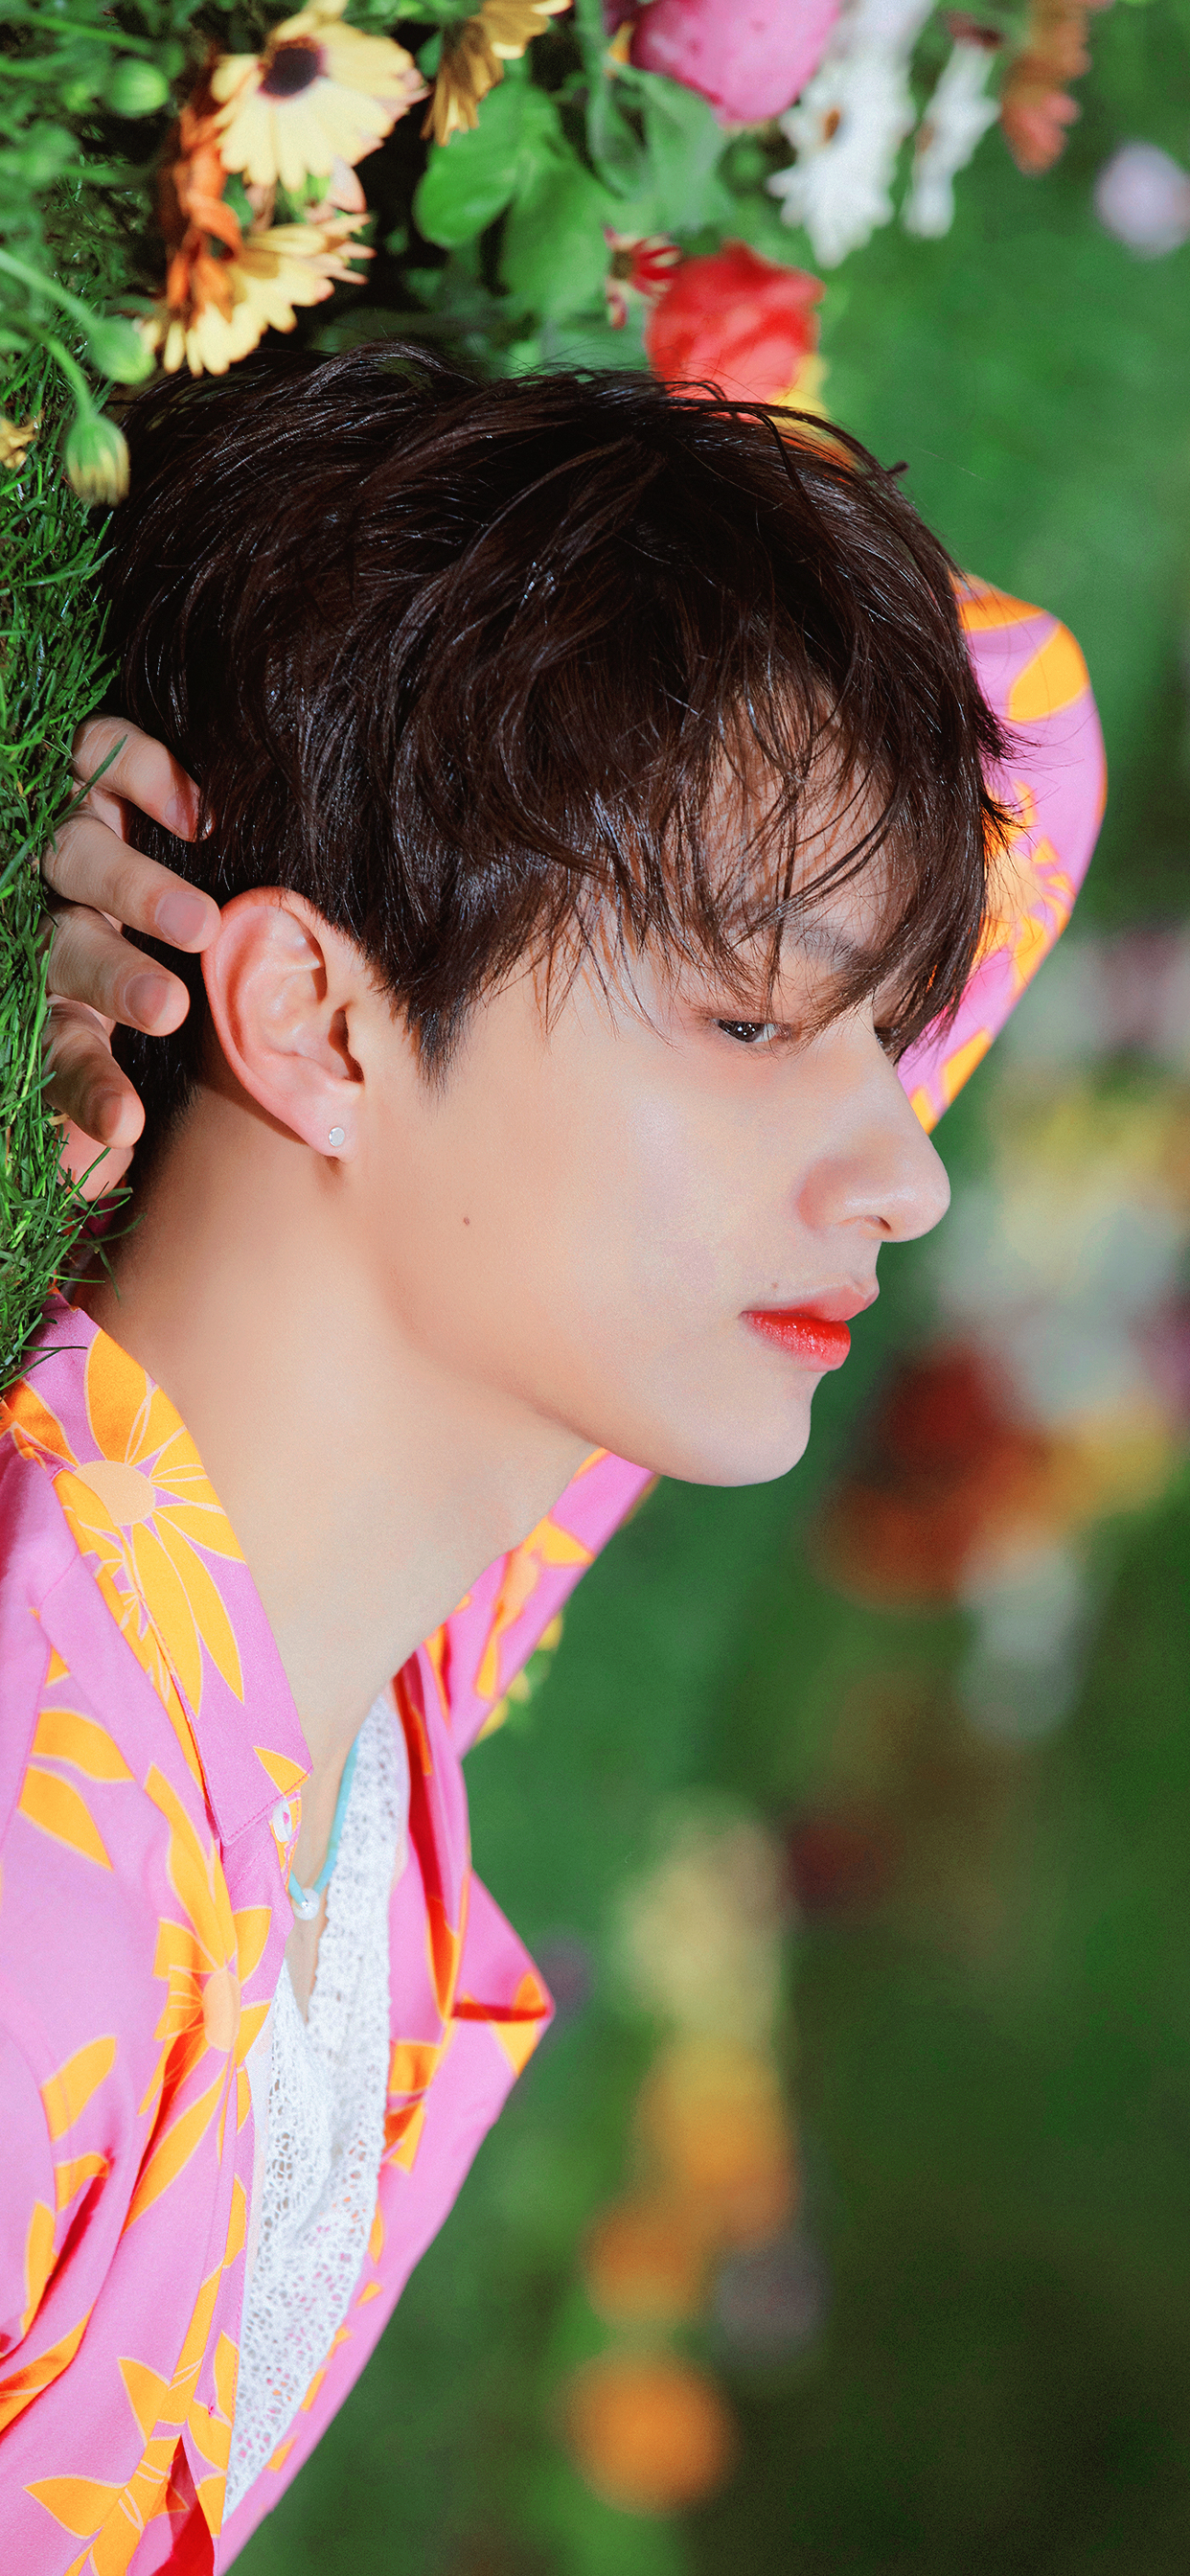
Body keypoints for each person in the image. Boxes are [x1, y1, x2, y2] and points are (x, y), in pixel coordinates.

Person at [2, 346, 1104, 2572]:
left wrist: (365, 672)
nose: (903, 1170)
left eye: (883, 1031)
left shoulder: (381, 1650)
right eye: (753, 1020)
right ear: (312, 1020)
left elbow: (1025, 726)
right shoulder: (45, 1896)